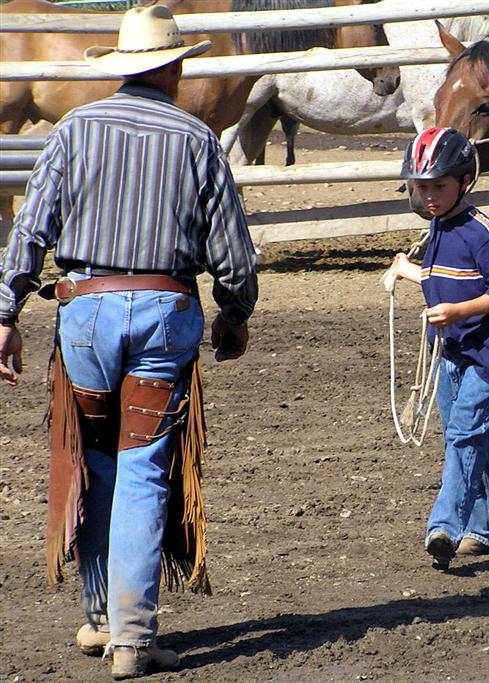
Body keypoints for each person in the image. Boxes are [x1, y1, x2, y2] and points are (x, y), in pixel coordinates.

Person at [0, 6, 258, 679]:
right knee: (143, 468)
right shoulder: (197, 140)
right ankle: (133, 636)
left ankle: (99, 618)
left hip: (86, 312)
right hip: (165, 311)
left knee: (93, 460)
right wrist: (234, 312)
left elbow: (30, 230)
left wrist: (6, 312)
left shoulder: (75, 130)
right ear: (174, 69)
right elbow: (233, 254)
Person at [390, 127, 489, 570]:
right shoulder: (438, 228)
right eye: (421, 187)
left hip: (483, 356)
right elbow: (444, 277)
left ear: (464, 181)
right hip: (446, 354)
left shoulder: (483, 232)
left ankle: (443, 529)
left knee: (464, 436)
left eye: (438, 186)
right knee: (463, 439)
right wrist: (408, 271)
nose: (429, 196)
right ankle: (483, 528)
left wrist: (457, 312)